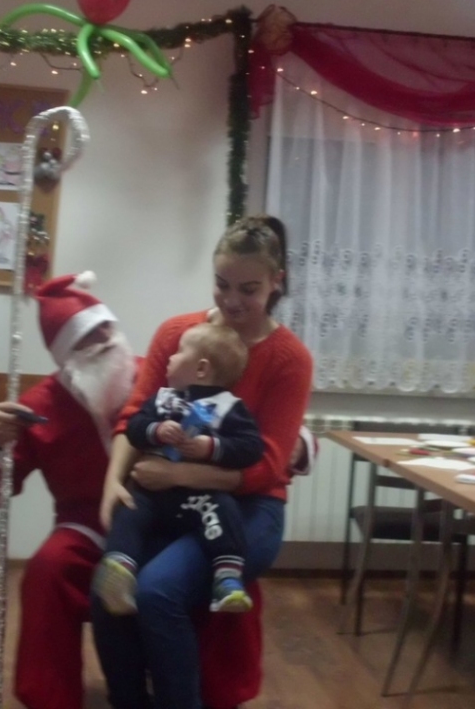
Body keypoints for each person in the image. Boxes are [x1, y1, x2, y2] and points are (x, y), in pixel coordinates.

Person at [0, 271, 311, 709]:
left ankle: (217, 693)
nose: (104, 342)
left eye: (107, 329)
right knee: (48, 570)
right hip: (89, 525)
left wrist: (298, 443)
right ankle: (53, 697)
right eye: (87, 339)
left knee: (219, 563)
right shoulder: (38, 407)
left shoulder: (162, 378)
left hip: (173, 514)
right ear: (66, 354)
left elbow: (248, 423)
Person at [95, 214, 314, 709]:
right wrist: (113, 482)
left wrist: (178, 472)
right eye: (221, 284)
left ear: (276, 282)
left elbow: (268, 465)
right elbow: (136, 415)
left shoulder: (289, 359)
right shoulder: (178, 334)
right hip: (172, 500)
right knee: (108, 590)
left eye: (248, 289)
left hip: (251, 509)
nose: (232, 301)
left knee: (157, 592)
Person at [95, 322, 264, 617]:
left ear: (201, 369)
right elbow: (134, 428)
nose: (170, 358)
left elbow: (251, 448)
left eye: (179, 352)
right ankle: (119, 571)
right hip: (151, 493)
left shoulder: (229, 408)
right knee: (128, 510)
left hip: (199, 497)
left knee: (226, 510)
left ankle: (227, 579)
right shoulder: (163, 399)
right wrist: (156, 430)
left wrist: (210, 447)